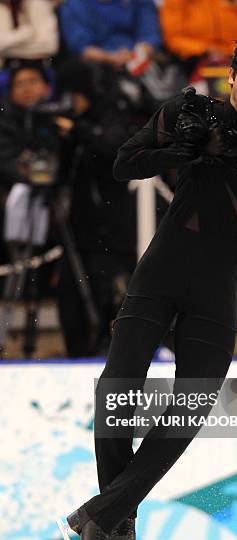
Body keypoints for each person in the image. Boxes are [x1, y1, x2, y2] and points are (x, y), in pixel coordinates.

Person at [58, 36, 237, 540]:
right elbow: (125, 164)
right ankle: (117, 513)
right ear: (231, 76)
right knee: (118, 387)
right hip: (161, 272)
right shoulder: (191, 112)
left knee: (193, 407)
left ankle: (99, 512)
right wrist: (188, 149)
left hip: (217, 287)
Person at [54, 60, 139, 357]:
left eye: (74, 96)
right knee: (70, 293)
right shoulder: (75, 121)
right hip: (77, 231)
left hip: (108, 230)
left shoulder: (111, 116)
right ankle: (76, 351)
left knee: (108, 292)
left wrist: (79, 130)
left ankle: (107, 350)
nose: (70, 103)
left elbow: (111, 149)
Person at [59, 0, 161, 70]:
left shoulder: (139, 2)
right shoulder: (74, 6)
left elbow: (150, 33)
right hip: (98, 67)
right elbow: (82, 47)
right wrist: (111, 58)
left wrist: (137, 55)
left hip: (141, 61)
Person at [0, 0, 58, 67]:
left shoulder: (38, 4)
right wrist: (26, 32)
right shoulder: (2, 8)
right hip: (6, 68)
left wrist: (7, 49)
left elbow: (50, 46)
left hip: (39, 65)